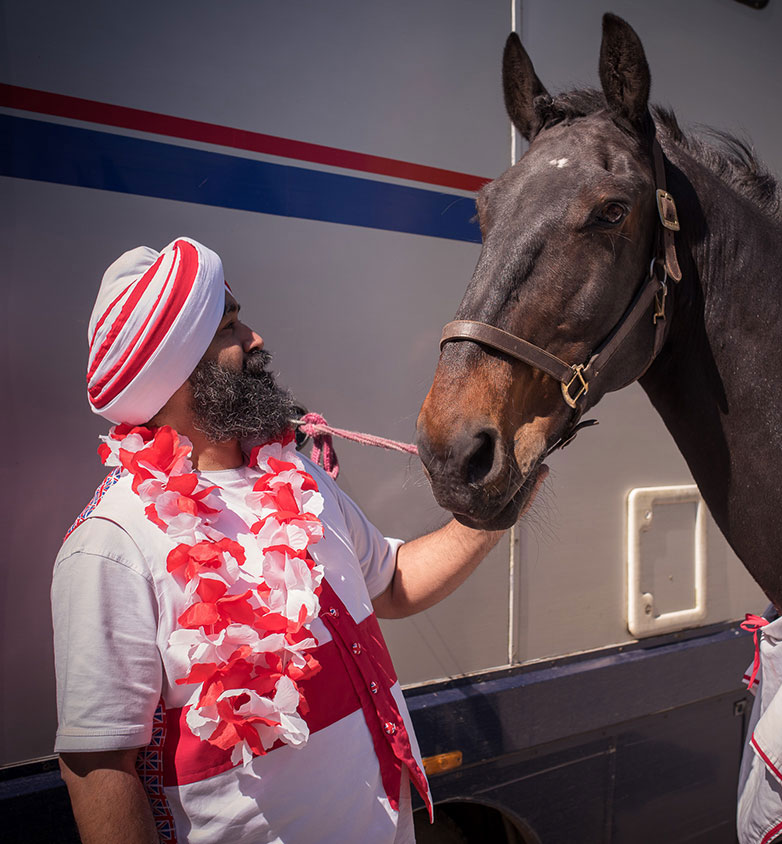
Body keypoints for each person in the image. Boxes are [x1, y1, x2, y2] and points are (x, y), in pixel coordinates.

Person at [52, 237, 545, 844]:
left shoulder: (294, 476)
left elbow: (392, 582)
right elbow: (99, 767)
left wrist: (493, 513)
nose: (255, 339)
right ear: (178, 368)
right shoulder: (111, 543)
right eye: (231, 328)